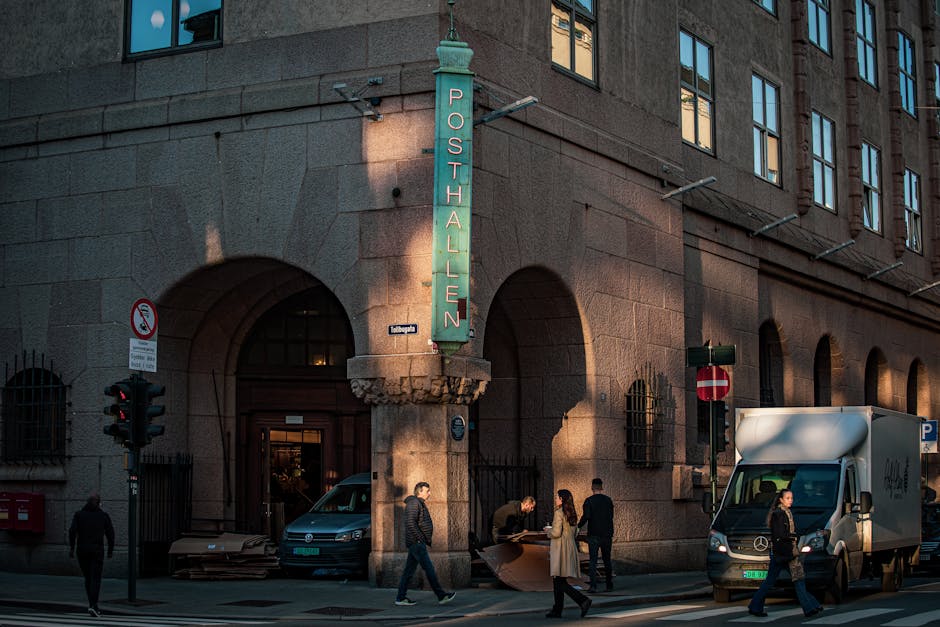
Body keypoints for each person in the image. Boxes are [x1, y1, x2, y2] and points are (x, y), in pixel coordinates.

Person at [747, 489, 823, 618]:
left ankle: (812, 605)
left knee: (783, 580)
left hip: (783, 552)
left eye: (791, 498)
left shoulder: (785, 513)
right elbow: (780, 535)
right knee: (797, 579)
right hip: (784, 553)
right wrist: (793, 539)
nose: (790, 500)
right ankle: (810, 607)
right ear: (781, 500)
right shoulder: (779, 514)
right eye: (787, 498)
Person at [394, 482, 457, 607]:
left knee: (408, 571)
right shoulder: (414, 503)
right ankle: (441, 595)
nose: (430, 493)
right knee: (429, 569)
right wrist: (421, 538)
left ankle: (400, 597)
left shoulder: (418, 503)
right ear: (420, 491)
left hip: (416, 543)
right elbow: (410, 523)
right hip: (417, 543)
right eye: (427, 491)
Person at [545, 489, 591, 619]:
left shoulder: (559, 513)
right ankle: (557, 610)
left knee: (559, 582)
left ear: (562, 499)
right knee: (558, 580)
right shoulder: (572, 513)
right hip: (570, 548)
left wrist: (547, 531)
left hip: (560, 549)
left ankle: (583, 600)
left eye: (557, 497)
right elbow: (575, 532)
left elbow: (556, 533)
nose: (556, 499)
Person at [68, 493, 115, 618]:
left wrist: (72, 547)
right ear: (99, 503)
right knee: (96, 578)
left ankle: (92, 604)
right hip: (97, 551)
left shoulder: (79, 515)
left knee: (88, 578)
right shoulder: (103, 516)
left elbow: (72, 531)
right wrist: (110, 550)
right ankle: (93, 605)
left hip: (82, 550)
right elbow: (111, 534)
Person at [578, 478, 614, 593]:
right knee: (607, 560)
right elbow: (611, 516)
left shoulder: (589, 501)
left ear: (592, 488)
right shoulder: (608, 500)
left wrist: (578, 526)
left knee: (593, 560)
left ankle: (593, 586)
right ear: (601, 488)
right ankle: (609, 585)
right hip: (607, 534)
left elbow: (586, 516)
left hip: (594, 534)